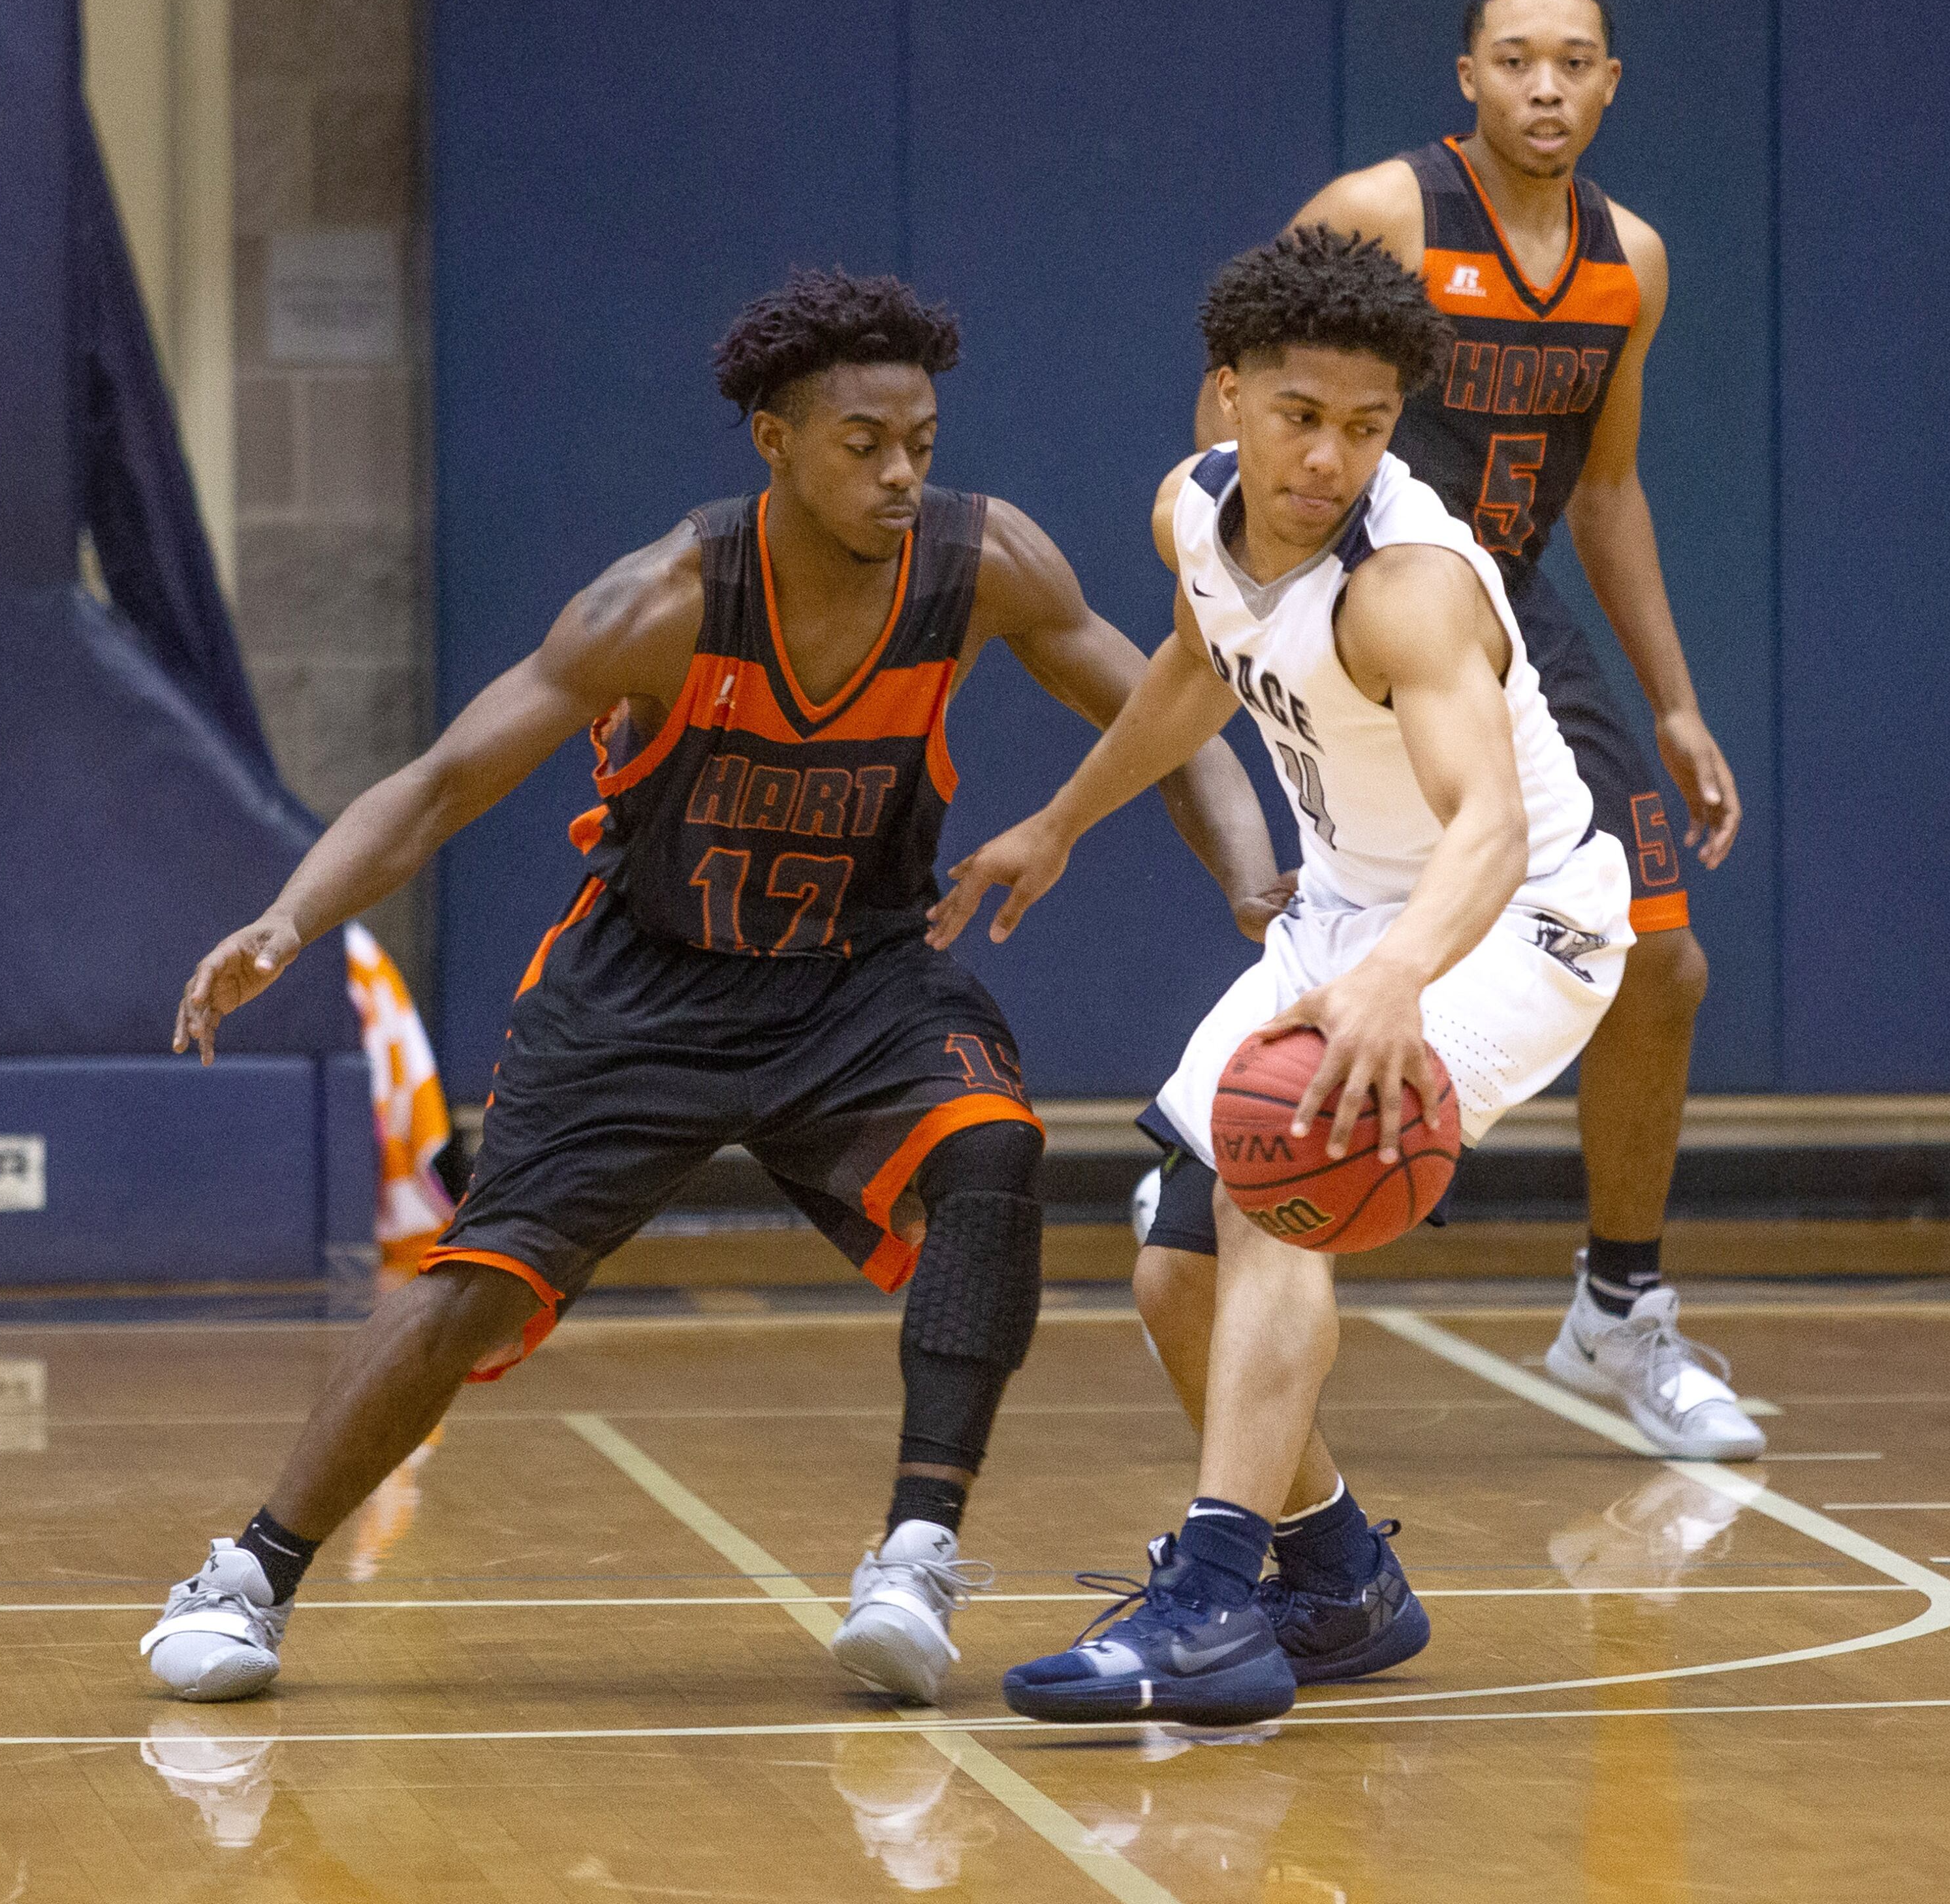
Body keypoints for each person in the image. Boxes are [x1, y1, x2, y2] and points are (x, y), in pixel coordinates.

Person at [142, 270, 1281, 1709]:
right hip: (643, 989)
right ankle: (250, 1575)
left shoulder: (982, 564)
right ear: (775, 441)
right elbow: (440, 788)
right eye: (863, 444)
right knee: (475, 1292)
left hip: (855, 981)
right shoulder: (664, 602)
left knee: (991, 1154)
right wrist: (287, 919)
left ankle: (915, 1554)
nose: (899, 473)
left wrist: (1250, 887)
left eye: (920, 441)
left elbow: (1179, 721)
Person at [935, 224, 1637, 1725]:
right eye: (1299, 417)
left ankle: (1208, 1607)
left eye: (1366, 429)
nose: (1326, 459)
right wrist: (1062, 821)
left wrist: (1394, 983)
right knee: (1171, 1271)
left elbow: (1493, 830)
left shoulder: (1410, 586)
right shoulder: (1193, 513)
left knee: (1278, 1182)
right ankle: (1336, 1584)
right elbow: (1203, 662)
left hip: (1515, 922)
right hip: (1349, 913)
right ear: (1227, 400)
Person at [1143, 0, 1765, 1465]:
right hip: (1387, 582)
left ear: (1612, 86)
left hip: (1514, 604)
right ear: (1468, 81)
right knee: (1583, 935)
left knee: (1663, 972)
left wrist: (1675, 704)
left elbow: (1604, 486)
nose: (1544, 86)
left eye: (1575, 63)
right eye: (1515, 60)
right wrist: (1242, 564)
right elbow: (1245, 376)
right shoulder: (1385, 209)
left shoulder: (1635, 259)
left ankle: (1619, 1304)